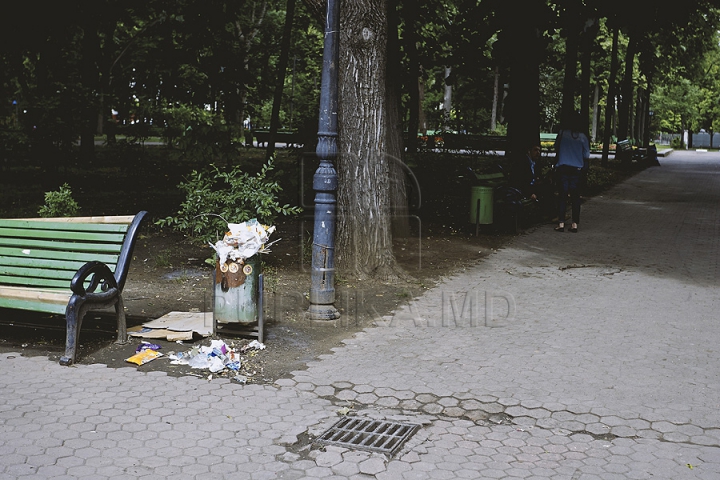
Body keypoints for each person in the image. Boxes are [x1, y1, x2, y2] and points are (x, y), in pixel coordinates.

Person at [553, 114, 590, 233]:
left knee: (562, 196)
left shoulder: (563, 134)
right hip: (576, 170)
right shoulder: (583, 137)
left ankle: (561, 223)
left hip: (563, 168)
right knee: (575, 198)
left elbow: (556, 147)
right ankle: (574, 224)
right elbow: (586, 155)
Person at [511, 144, 553, 216]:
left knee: (549, 187)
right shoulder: (523, 163)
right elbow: (521, 181)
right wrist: (530, 193)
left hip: (531, 186)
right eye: (535, 150)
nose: (538, 152)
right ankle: (550, 214)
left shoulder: (534, 162)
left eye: (539, 150)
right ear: (529, 151)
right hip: (523, 189)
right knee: (546, 190)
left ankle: (551, 214)